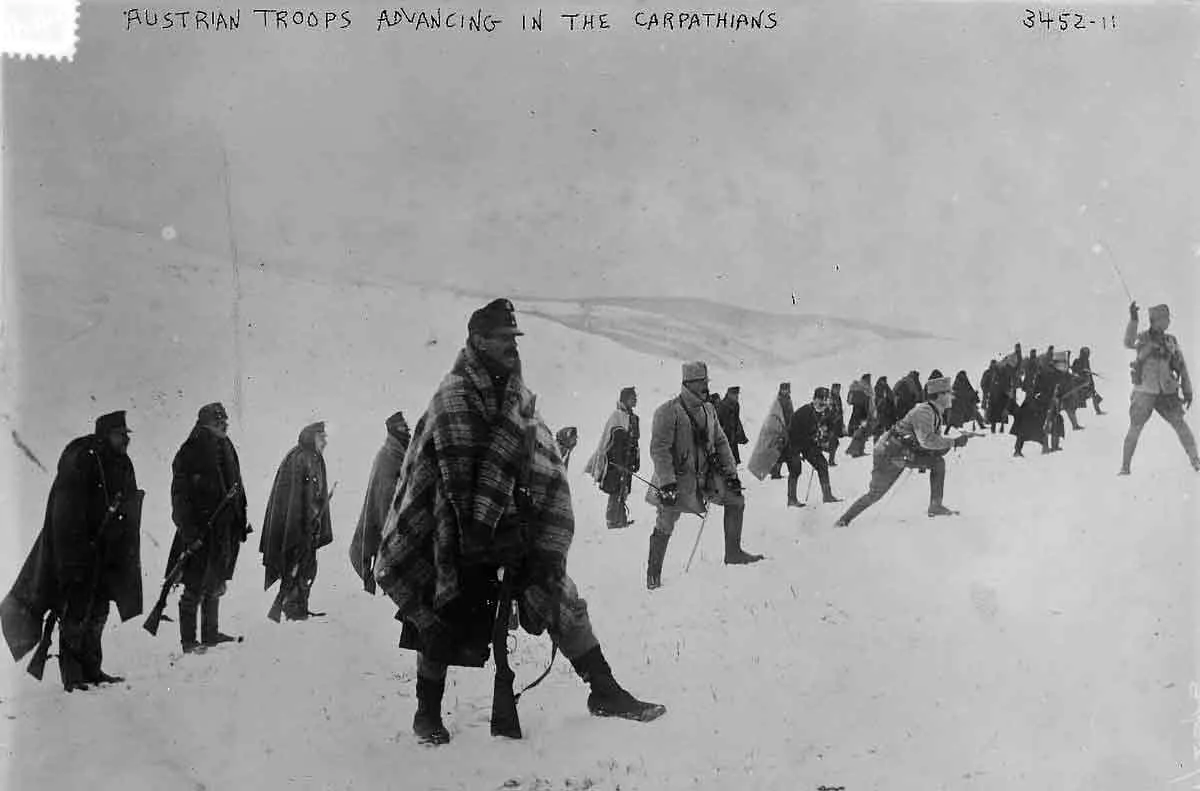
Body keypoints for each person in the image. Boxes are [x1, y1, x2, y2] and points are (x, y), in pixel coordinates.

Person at [374, 299, 665, 746]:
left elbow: (534, 457)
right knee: (439, 607)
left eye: (514, 339)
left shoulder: (516, 395)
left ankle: (604, 691)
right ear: (478, 341)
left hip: (511, 523)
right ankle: (425, 713)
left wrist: (523, 527)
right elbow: (454, 475)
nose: (512, 346)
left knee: (557, 594)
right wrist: (482, 530)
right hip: (451, 525)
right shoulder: (452, 396)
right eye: (502, 338)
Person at [1, 412, 144, 691]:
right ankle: (73, 676)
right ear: (106, 434)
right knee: (76, 613)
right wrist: (74, 559)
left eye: (126, 434)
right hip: (78, 550)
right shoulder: (82, 458)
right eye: (120, 434)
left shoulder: (122, 462)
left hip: (106, 553)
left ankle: (92, 669)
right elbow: (65, 514)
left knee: (99, 611)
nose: (126, 439)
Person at [647, 361, 762, 590]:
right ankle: (653, 574)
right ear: (688, 384)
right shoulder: (667, 411)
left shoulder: (709, 409)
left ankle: (733, 553)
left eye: (706, 383)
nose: (706, 388)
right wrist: (668, 483)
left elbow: (720, 442)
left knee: (736, 500)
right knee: (666, 521)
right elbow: (659, 450)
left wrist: (731, 475)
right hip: (677, 481)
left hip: (706, 477)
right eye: (702, 383)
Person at [168, 402, 250, 653]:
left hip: (222, 529)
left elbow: (236, 484)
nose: (224, 424)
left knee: (215, 581)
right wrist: (190, 533)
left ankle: (210, 633)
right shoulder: (191, 450)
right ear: (206, 423)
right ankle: (189, 641)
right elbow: (180, 497)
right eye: (219, 421)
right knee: (194, 585)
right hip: (200, 530)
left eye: (224, 420)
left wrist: (239, 518)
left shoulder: (225, 446)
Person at [834, 377, 971, 527]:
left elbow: (928, 443)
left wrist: (945, 446)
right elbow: (927, 441)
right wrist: (953, 442)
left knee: (938, 463)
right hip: (888, 453)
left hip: (902, 452)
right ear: (939, 395)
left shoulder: (935, 411)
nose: (952, 396)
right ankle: (844, 519)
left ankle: (935, 506)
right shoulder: (925, 412)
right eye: (948, 393)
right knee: (875, 494)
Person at [260, 421, 333, 620]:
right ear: (312, 438)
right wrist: (303, 523)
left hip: (308, 526)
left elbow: (315, 495)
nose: (325, 441)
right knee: (293, 566)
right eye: (322, 437)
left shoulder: (315, 458)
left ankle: (298, 607)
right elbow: (294, 499)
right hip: (296, 527)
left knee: (307, 567)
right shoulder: (300, 458)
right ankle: (290, 607)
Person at [1120, 302, 1199, 474]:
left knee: (1180, 425)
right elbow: (1128, 342)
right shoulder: (1142, 338)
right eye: (1165, 318)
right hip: (1144, 391)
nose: (1168, 322)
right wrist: (1133, 319)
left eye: (1168, 318)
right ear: (1155, 321)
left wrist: (1187, 390)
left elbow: (1181, 366)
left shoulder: (1171, 340)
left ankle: (1196, 461)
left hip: (1167, 392)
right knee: (1135, 428)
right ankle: (1125, 466)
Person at [350, 411, 410, 594]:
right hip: (386, 519)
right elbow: (385, 499)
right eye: (404, 428)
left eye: (407, 427)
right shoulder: (388, 457)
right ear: (394, 431)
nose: (408, 432)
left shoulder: (397, 454)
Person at [584, 387, 640, 530]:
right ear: (625, 399)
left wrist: (635, 460)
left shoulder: (634, 418)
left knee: (624, 490)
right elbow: (610, 440)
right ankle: (612, 521)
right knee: (616, 490)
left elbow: (635, 443)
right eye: (632, 397)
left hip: (627, 461)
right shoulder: (617, 416)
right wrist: (616, 460)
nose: (635, 399)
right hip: (616, 462)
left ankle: (621, 519)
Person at [785, 388, 842, 507]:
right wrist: (798, 450)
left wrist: (825, 436)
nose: (823, 405)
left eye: (825, 402)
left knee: (822, 464)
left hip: (810, 445)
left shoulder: (826, 412)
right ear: (814, 399)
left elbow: (830, 427)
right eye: (821, 401)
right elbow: (792, 432)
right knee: (795, 468)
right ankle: (792, 499)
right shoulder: (803, 413)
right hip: (794, 443)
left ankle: (827, 495)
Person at [749, 383, 793, 479]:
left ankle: (782, 472)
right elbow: (774, 415)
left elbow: (790, 414)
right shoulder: (778, 401)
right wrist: (780, 427)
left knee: (785, 452)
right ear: (780, 390)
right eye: (783, 389)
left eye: (786, 389)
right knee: (777, 452)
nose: (785, 391)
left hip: (787, 429)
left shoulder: (789, 401)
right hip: (779, 430)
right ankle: (775, 472)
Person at [715, 387, 749, 465]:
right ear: (729, 394)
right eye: (734, 394)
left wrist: (740, 434)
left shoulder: (736, 405)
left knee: (733, 459)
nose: (737, 396)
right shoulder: (722, 406)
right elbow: (717, 421)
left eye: (737, 394)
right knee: (725, 459)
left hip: (732, 436)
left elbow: (737, 420)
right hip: (724, 436)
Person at [1071, 347, 1105, 416]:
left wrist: (1092, 384)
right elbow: (1074, 372)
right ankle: (1072, 412)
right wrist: (1081, 372)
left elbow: (1089, 374)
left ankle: (1098, 411)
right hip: (1079, 385)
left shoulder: (1087, 361)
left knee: (1094, 395)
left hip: (1087, 384)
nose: (1087, 355)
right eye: (1086, 354)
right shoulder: (1077, 361)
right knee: (1077, 401)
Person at [825, 383, 846, 466]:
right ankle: (830, 461)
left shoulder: (838, 398)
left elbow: (839, 410)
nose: (838, 391)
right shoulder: (830, 399)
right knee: (833, 442)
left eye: (839, 389)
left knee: (835, 443)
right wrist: (833, 418)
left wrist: (841, 422)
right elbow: (828, 412)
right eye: (836, 389)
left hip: (837, 423)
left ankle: (830, 459)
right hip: (830, 424)